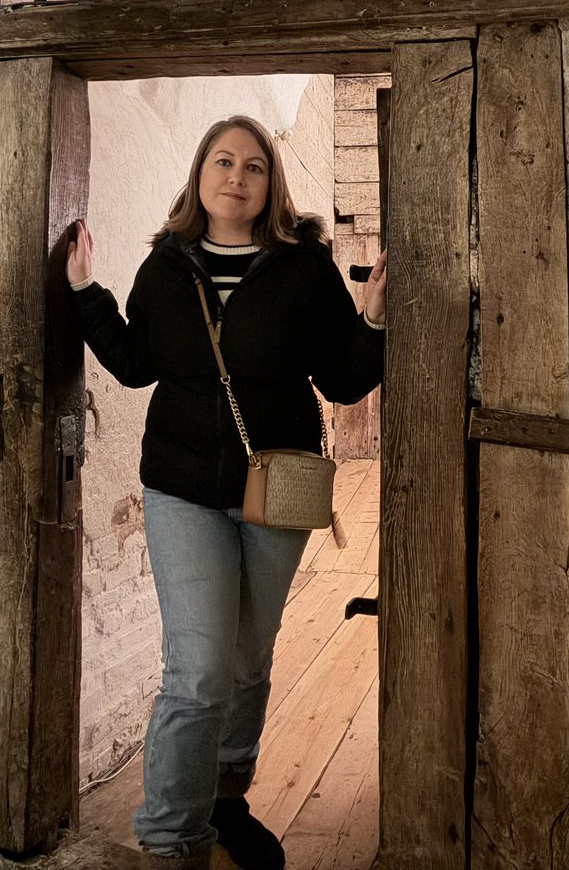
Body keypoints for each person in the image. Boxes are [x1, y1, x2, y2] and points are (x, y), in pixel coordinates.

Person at [66, 115, 387, 870]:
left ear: (271, 183)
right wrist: (84, 291)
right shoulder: (166, 266)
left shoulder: (304, 266)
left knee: (248, 657)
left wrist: (373, 320)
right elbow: (135, 363)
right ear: (200, 174)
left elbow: (342, 381)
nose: (236, 177)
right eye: (222, 161)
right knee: (199, 667)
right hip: (182, 488)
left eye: (253, 166)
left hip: (278, 485)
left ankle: (225, 798)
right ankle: (172, 841)